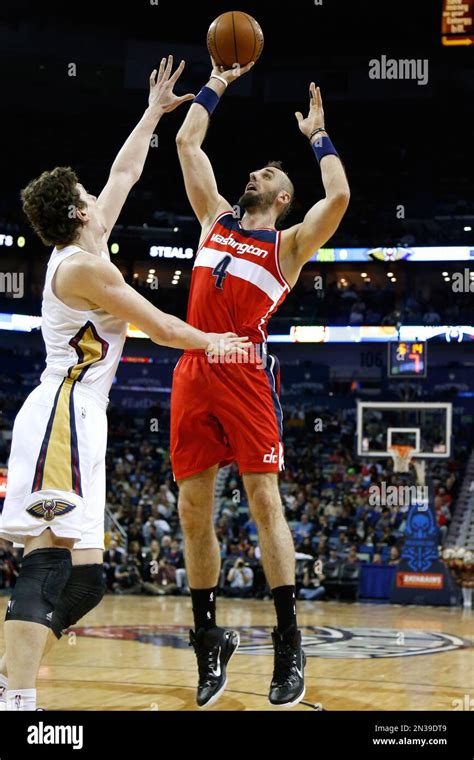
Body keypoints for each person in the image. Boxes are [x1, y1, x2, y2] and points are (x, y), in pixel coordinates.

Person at [0, 56, 249, 711]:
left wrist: (152, 111)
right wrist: (217, 341)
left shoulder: (89, 241)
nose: (94, 193)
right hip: (64, 411)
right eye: (85, 193)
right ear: (79, 213)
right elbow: (163, 328)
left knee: (87, 585)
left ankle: (13, 669)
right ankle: (15, 696)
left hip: (81, 415)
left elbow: (125, 171)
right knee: (50, 564)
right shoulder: (84, 270)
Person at [172, 55, 349, 707]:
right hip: (193, 366)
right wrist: (218, 79)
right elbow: (189, 141)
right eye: (255, 169)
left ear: (280, 198)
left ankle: (288, 642)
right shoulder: (213, 219)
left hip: (243, 369)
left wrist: (318, 137)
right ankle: (208, 639)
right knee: (194, 513)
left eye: (266, 175)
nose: (253, 174)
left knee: (263, 501)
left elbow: (340, 198)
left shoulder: (290, 245)